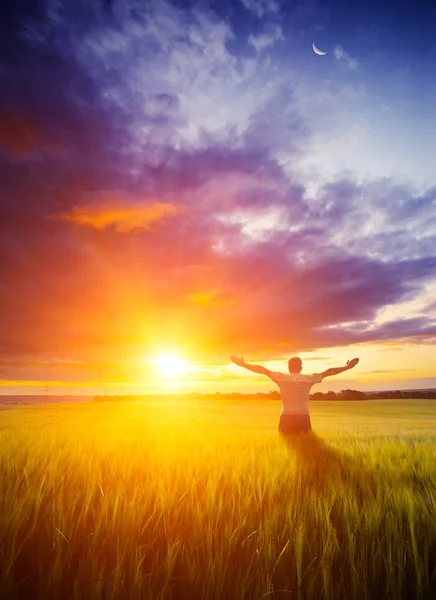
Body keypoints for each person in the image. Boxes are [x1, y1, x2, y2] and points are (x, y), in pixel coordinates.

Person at [230, 355, 359, 435]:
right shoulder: (309, 378)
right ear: (301, 368)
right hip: (303, 417)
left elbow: (262, 370)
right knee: (308, 450)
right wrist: (347, 366)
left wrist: (243, 364)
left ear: (288, 367)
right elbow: (329, 371)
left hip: (286, 417)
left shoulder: (281, 377)